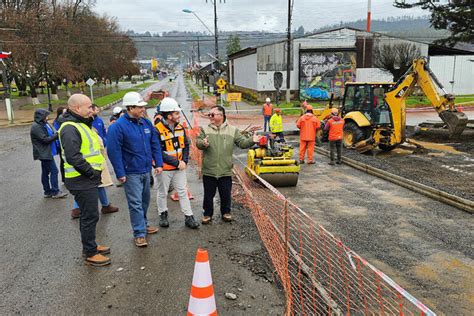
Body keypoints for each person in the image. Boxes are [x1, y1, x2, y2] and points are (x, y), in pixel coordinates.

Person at [59, 94, 110, 266]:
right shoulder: (70, 128)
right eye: (88, 107)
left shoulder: (81, 124)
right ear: (76, 109)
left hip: (86, 179)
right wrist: (91, 173)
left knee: (89, 215)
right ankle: (90, 252)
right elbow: (74, 157)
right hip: (81, 179)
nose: (92, 109)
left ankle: (91, 245)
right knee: (90, 216)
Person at [107, 91, 163, 247]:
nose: (142, 110)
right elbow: (113, 151)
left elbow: (154, 144)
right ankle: (139, 233)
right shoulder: (117, 127)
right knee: (135, 203)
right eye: (139, 107)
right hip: (130, 172)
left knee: (145, 200)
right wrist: (120, 173)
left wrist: (158, 163)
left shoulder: (145, 123)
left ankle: (144, 225)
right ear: (130, 108)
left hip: (145, 169)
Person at [196, 106, 260, 224]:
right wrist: (202, 143)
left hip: (225, 170)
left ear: (221, 116)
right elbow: (198, 142)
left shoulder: (232, 130)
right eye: (209, 115)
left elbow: (242, 143)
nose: (210, 117)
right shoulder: (204, 129)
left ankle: (226, 212)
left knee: (225, 193)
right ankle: (207, 214)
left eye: (212, 115)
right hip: (209, 169)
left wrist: (252, 140)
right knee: (208, 195)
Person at [153, 97, 199, 229]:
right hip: (165, 168)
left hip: (179, 167)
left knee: (183, 192)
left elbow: (185, 146)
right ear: (168, 115)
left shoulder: (180, 128)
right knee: (162, 192)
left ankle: (189, 217)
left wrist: (184, 161)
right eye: (176, 113)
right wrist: (177, 163)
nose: (179, 115)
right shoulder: (156, 130)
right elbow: (158, 152)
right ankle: (163, 214)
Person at [70, 126, 119, 219]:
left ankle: (78, 209)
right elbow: (101, 146)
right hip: (95, 164)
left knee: (89, 187)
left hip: (84, 165)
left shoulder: (74, 131)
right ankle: (104, 205)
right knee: (97, 185)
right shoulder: (90, 132)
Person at [30, 109, 68, 199]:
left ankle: (47, 191)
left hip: (46, 152)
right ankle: (55, 192)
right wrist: (57, 134)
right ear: (41, 116)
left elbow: (51, 133)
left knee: (45, 172)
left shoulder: (43, 124)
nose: (47, 117)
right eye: (45, 115)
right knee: (54, 171)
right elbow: (45, 140)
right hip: (43, 153)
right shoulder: (36, 127)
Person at [53, 106, 67, 183]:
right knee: (63, 161)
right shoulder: (57, 122)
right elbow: (57, 132)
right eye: (64, 112)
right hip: (60, 144)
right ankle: (64, 178)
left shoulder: (65, 120)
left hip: (65, 142)